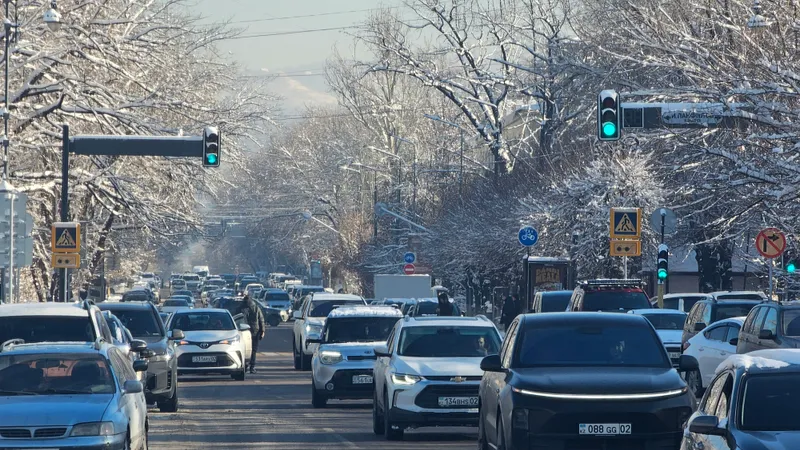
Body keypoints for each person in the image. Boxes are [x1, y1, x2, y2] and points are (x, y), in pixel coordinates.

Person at [239, 295, 265, 373]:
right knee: (253, 350)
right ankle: (252, 367)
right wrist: (262, 330)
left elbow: (236, 318)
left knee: (243, 350)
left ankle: (245, 366)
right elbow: (261, 319)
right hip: (254, 331)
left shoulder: (240, 308)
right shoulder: (255, 307)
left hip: (243, 331)